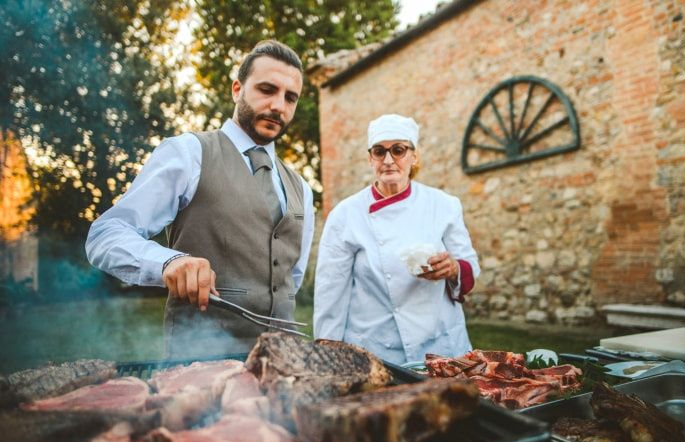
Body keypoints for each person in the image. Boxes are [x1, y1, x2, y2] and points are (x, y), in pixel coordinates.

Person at [86, 40, 314, 358]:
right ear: (237, 89)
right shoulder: (188, 153)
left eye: (290, 98)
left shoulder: (301, 187)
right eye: (267, 89)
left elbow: (292, 276)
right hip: (200, 365)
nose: (279, 106)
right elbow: (106, 235)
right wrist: (168, 262)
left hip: (285, 369)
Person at [313, 114, 480, 364]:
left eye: (398, 150)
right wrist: (328, 356)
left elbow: (470, 267)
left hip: (442, 345)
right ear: (370, 158)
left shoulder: (444, 205)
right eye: (380, 151)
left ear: (414, 156)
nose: (389, 160)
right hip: (376, 350)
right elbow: (330, 293)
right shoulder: (345, 215)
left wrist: (453, 268)